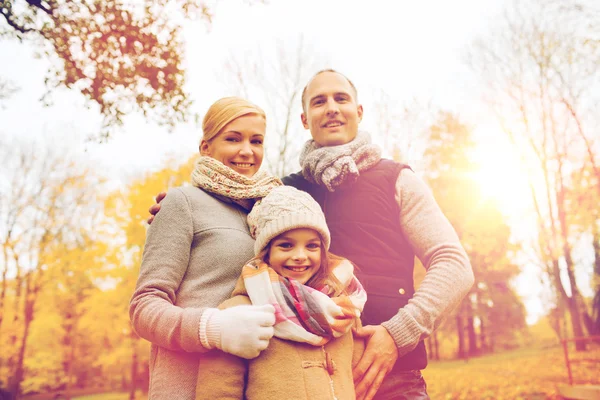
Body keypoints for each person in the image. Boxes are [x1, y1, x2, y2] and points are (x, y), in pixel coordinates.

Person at [149, 70, 474, 400]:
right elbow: (226, 214)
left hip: (391, 377)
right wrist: (176, 206)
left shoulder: (397, 180)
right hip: (305, 380)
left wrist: (397, 334)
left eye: (341, 98)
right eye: (319, 102)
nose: (331, 108)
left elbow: (454, 266)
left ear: (359, 112)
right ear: (305, 119)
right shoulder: (280, 194)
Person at [130, 97, 283, 399]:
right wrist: (212, 328)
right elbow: (144, 307)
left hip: (261, 384)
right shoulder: (181, 203)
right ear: (206, 147)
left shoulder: (275, 212)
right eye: (233, 138)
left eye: (257, 141)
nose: (246, 151)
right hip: (189, 386)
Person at [196, 185, 368, 400]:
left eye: (312, 246)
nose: (299, 256)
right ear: (266, 252)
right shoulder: (238, 312)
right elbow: (218, 392)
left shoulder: (343, 309)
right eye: (286, 245)